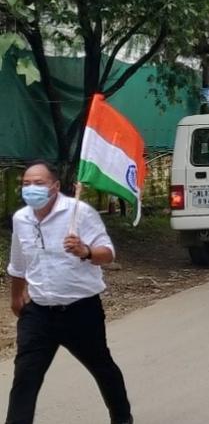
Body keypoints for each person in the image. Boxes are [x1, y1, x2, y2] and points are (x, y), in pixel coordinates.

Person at [6, 161, 133, 424]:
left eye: (39, 183)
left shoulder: (80, 212)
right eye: (26, 184)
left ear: (55, 186)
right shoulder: (21, 219)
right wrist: (16, 297)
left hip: (80, 311)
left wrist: (85, 251)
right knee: (25, 377)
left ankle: (122, 418)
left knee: (102, 367)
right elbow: (17, 263)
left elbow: (107, 254)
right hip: (39, 312)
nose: (31, 189)